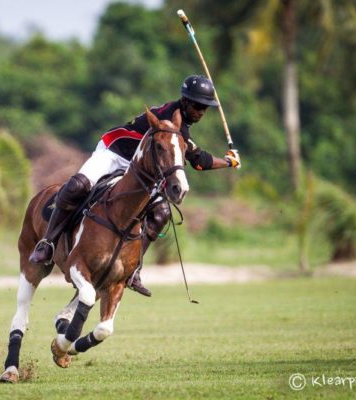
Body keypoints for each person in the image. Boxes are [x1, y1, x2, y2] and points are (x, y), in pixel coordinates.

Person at [29, 75, 241, 296]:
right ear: (186, 101)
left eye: (205, 108)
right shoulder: (173, 121)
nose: (201, 112)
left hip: (137, 168)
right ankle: (47, 243)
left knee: (161, 213)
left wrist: (227, 161)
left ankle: (133, 269)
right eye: (198, 106)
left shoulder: (183, 123)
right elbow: (198, 161)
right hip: (114, 152)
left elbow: (192, 159)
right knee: (77, 186)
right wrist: (229, 161)